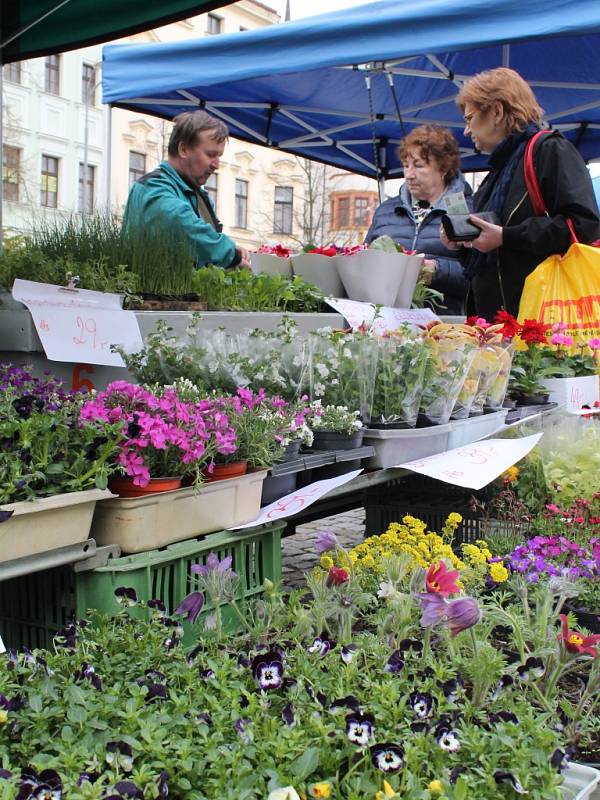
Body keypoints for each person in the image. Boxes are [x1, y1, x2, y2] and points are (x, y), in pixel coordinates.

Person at [441, 67, 600, 320]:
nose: (466, 131)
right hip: (499, 322)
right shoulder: (497, 173)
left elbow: (583, 226)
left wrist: (507, 236)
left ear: (496, 111)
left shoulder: (549, 150)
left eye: (469, 118)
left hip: (541, 319)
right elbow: (490, 253)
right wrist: (463, 244)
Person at [123, 110, 250, 269]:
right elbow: (181, 224)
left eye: (219, 156)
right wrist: (230, 254)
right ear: (183, 149)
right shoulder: (152, 187)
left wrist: (230, 249)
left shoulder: (197, 195)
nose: (216, 164)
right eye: (211, 154)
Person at [366, 124, 470, 315]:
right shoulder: (385, 211)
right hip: (388, 324)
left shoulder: (466, 210)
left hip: (445, 327)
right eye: (406, 165)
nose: (409, 174)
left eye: (419, 166)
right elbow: (363, 263)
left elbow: (478, 278)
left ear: (444, 168)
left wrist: (436, 271)